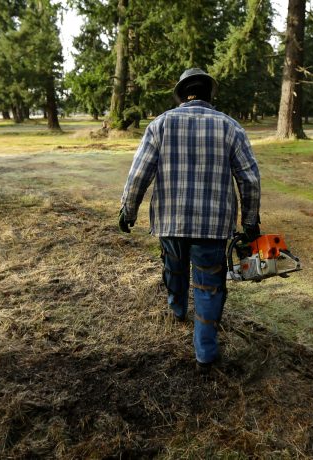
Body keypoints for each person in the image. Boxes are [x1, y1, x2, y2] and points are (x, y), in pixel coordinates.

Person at [118, 68, 261, 372]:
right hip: (213, 226)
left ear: (181, 94)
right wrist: (250, 222)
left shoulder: (161, 125)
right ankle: (205, 355)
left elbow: (139, 173)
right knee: (209, 286)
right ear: (210, 94)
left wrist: (128, 210)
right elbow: (249, 179)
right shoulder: (230, 127)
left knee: (174, 266)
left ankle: (177, 308)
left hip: (170, 221)